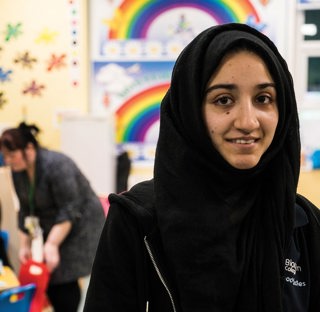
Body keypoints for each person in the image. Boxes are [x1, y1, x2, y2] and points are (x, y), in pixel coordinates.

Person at [84, 23, 320, 311]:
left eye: (263, 99)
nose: (247, 122)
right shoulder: (138, 221)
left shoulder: (305, 226)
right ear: (190, 110)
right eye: (223, 100)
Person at [0, 122, 105, 312]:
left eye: (11, 155)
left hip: (82, 224)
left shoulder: (57, 164)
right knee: (50, 273)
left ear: (29, 149)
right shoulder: (19, 171)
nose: (8, 161)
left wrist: (52, 244)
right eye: (4, 156)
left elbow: (69, 208)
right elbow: (25, 210)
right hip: (57, 224)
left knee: (63, 275)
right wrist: (24, 244)